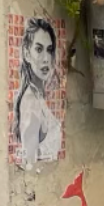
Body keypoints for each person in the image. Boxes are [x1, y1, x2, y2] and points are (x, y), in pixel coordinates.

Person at [14, 16, 61, 168]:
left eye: (49, 50)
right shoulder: (30, 102)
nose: (46, 58)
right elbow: (30, 164)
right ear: (27, 54)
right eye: (39, 49)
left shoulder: (38, 97)